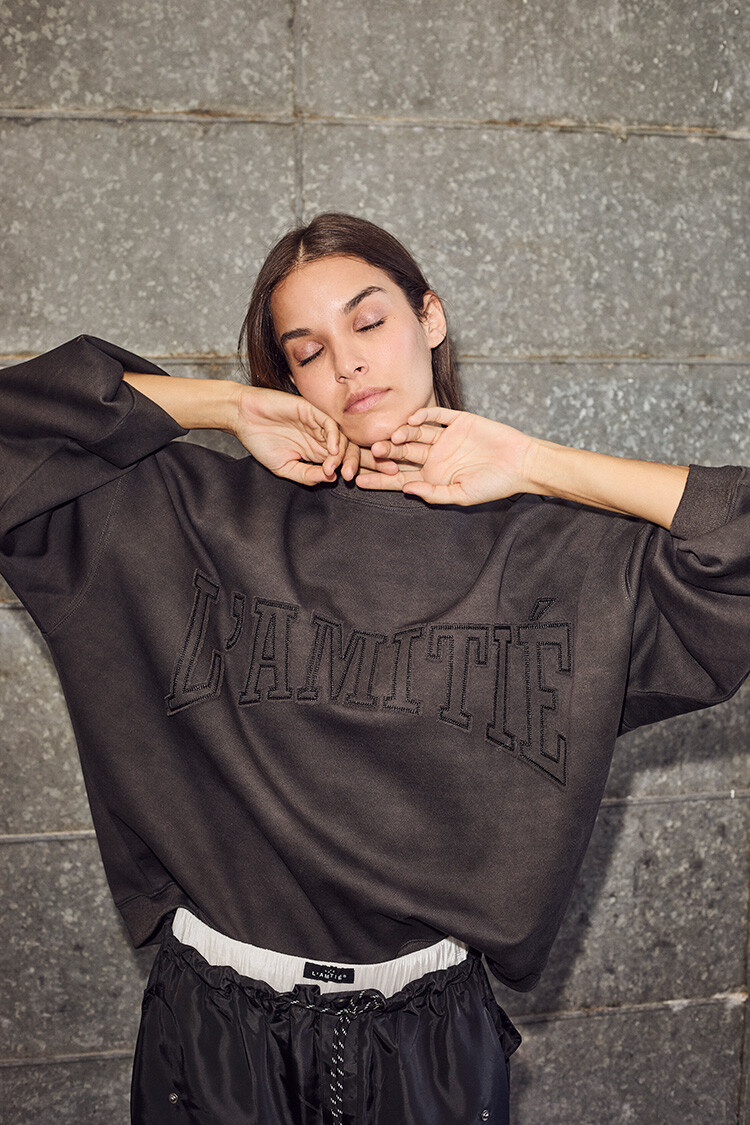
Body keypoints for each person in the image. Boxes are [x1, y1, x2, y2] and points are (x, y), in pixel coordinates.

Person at [0, 212, 748, 1125]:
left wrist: (536, 463)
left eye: (368, 321)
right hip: (217, 1033)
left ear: (429, 317)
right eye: (308, 351)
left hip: (431, 1039)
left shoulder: (567, 555)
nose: (349, 363)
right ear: (288, 378)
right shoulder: (177, 514)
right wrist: (221, 406)